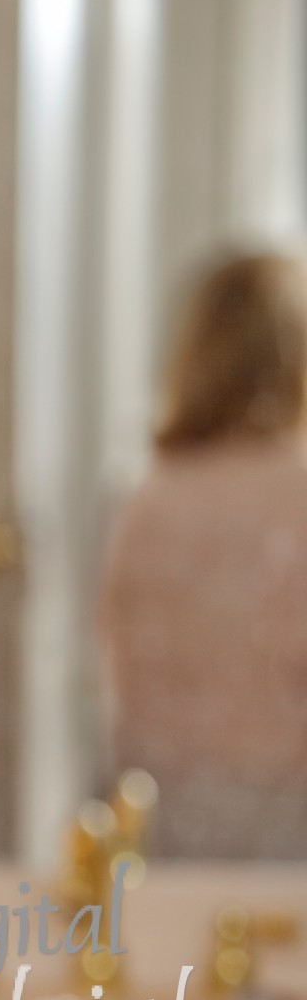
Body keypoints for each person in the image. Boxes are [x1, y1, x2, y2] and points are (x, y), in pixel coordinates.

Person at [101, 249, 307, 860]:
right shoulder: (297, 495)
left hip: (166, 805)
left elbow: (119, 665)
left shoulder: (149, 502)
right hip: (288, 811)